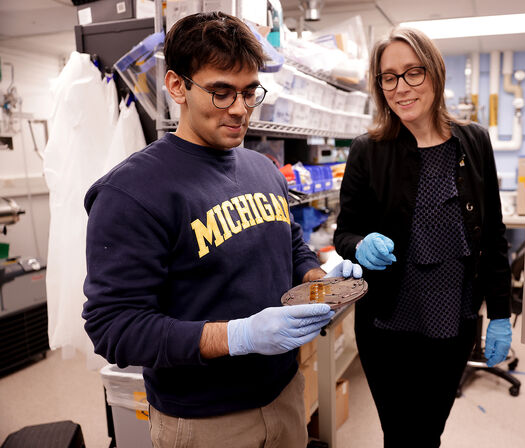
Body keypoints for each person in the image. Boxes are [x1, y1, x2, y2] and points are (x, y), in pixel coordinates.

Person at [82, 12, 361, 448]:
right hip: (204, 420)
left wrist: (318, 282)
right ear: (177, 86)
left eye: (250, 92)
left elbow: (288, 247)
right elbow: (114, 327)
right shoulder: (132, 192)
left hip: (285, 393)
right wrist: (238, 335)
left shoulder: (263, 169)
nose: (240, 109)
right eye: (221, 92)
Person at [334, 27, 512, 447]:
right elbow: (345, 232)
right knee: (399, 434)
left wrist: (501, 312)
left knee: (429, 432)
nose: (401, 87)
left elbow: (493, 236)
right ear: (379, 86)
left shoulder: (474, 142)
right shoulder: (368, 150)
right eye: (389, 77)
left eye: (413, 72)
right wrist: (359, 246)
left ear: (435, 74)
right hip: (388, 325)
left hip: (455, 323)